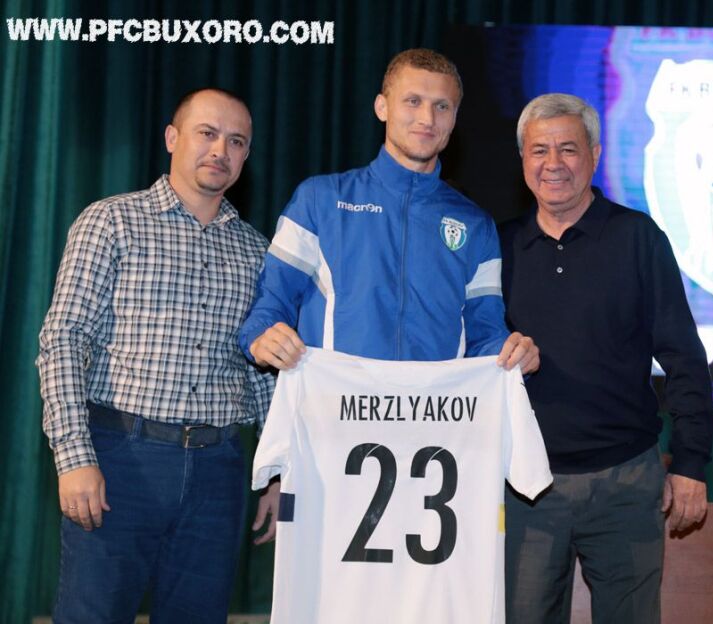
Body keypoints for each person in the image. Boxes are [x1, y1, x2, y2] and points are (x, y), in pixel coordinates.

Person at [37, 88, 278, 623]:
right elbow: (63, 341)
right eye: (207, 133)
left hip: (218, 468)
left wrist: (275, 471)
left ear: (246, 155)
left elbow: (264, 375)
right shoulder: (110, 222)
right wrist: (75, 458)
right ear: (173, 138)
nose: (220, 150)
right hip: (121, 457)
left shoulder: (257, 251)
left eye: (236, 141)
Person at [499, 93, 713, 624]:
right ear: (523, 159)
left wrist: (690, 463)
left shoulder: (638, 238)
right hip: (526, 485)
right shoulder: (497, 246)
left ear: (595, 155)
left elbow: (683, 356)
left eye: (569, 149)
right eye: (539, 150)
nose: (553, 163)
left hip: (626, 483)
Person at [239, 49, 537, 380]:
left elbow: (485, 334)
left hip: (432, 410)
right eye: (413, 101)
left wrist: (513, 354)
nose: (427, 118)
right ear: (382, 107)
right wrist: (261, 337)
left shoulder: (476, 225)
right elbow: (270, 306)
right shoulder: (319, 200)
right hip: (335, 406)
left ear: (455, 118)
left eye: (442, 106)